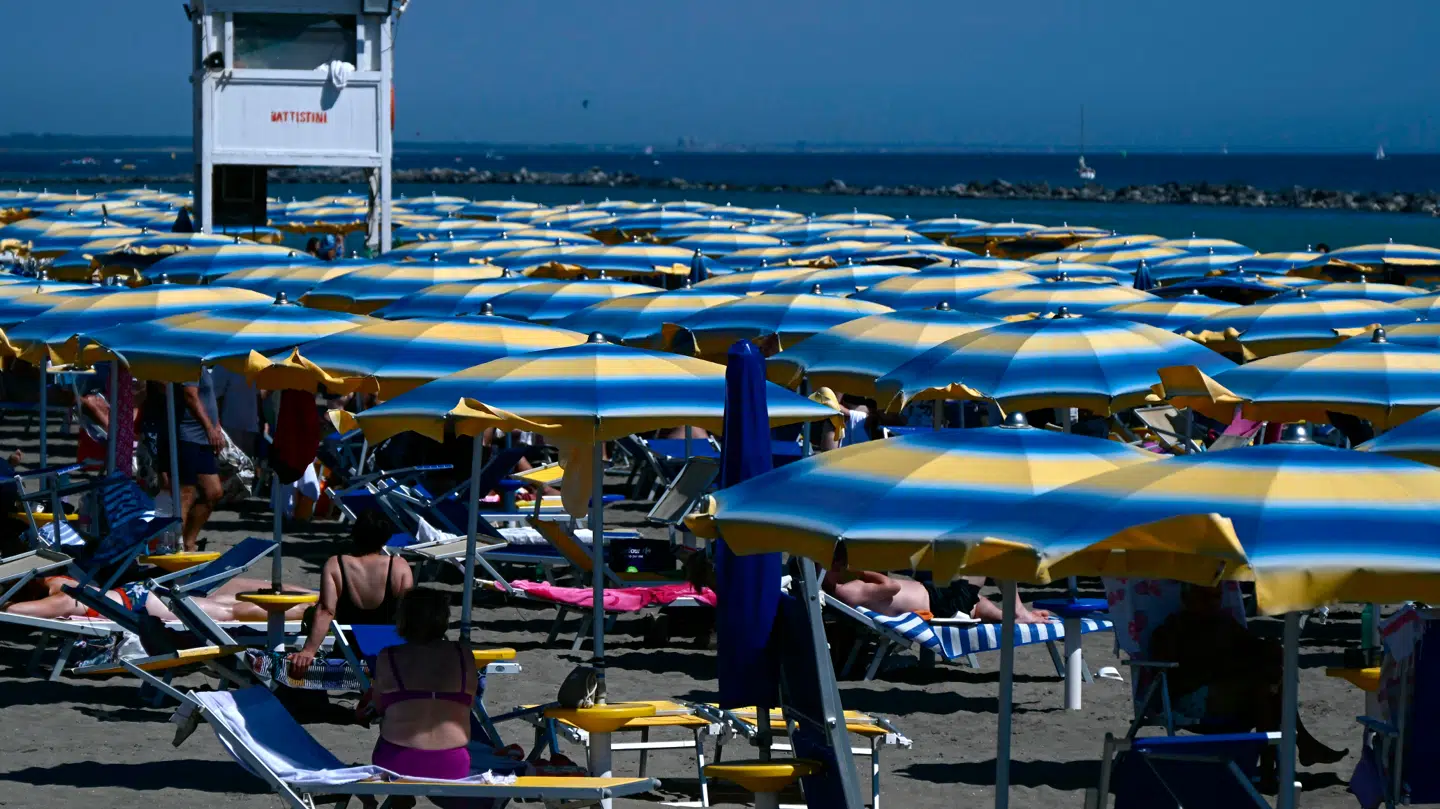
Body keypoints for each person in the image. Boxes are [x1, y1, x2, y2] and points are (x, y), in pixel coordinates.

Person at [1147, 584, 1347, 783]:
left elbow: (1252, 646)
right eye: (1204, 597)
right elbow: (1175, 676)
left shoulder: (1223, 623)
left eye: (1217, 597)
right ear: (1186, 600)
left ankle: (1285, 757)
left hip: (1227, 691)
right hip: (1190, 700)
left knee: (1268, 683)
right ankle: (1295, 748)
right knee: (1263, 688)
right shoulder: (1173, 629)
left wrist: (1270, 647)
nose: (1213, 603)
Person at [369, 587, 476, 785]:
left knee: (388, 723)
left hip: (398, 762)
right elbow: (468, 705)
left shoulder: (389, 656)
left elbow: (378, 706)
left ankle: (394, 802)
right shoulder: (463, 655)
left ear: (404, 618)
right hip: (452, 764)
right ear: (443, 618)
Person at [290, 510, 415, 676]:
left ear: (355, 533)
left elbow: (326, 611)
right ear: (385, 537)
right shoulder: (399, 566)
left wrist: (308, 651)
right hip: (389, 657)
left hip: (349, 655)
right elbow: (410, 613)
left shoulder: (336, 564)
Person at [823, 545, 1051, 623]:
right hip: (938, 604)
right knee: (993, 556)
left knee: (974, 600)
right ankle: (1018, 611)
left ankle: (1012, 617)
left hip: (939, 599)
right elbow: (891, 587)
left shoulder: (844, 588)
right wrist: (860, 571)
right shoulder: (847, 590)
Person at [2, 574, 315, 624]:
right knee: (227, 596)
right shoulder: (58, 580)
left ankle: (311, 611)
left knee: (227, 613)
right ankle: (311, 600)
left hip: (137, 604)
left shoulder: (60, 597)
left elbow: (16, 611)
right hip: (135, 594)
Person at [169, 368, 224, 552]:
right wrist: (209, 427)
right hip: (188, 435)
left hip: (203, 438)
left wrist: (216, 427)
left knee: (213, 492)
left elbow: (209, 400)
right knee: (186, 494)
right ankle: (175, 547)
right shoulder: (189, 360)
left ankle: (188, 541)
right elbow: (190, 395)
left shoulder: (203, 365)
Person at [212, 366, 261, 459]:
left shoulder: (253, 365)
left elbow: (257, 396)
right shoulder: (223, 365)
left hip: (251, 428)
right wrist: (216, 426)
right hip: (230, 428)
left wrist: (260, 422)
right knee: (231, 467)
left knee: (248, 467)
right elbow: (215, 398)